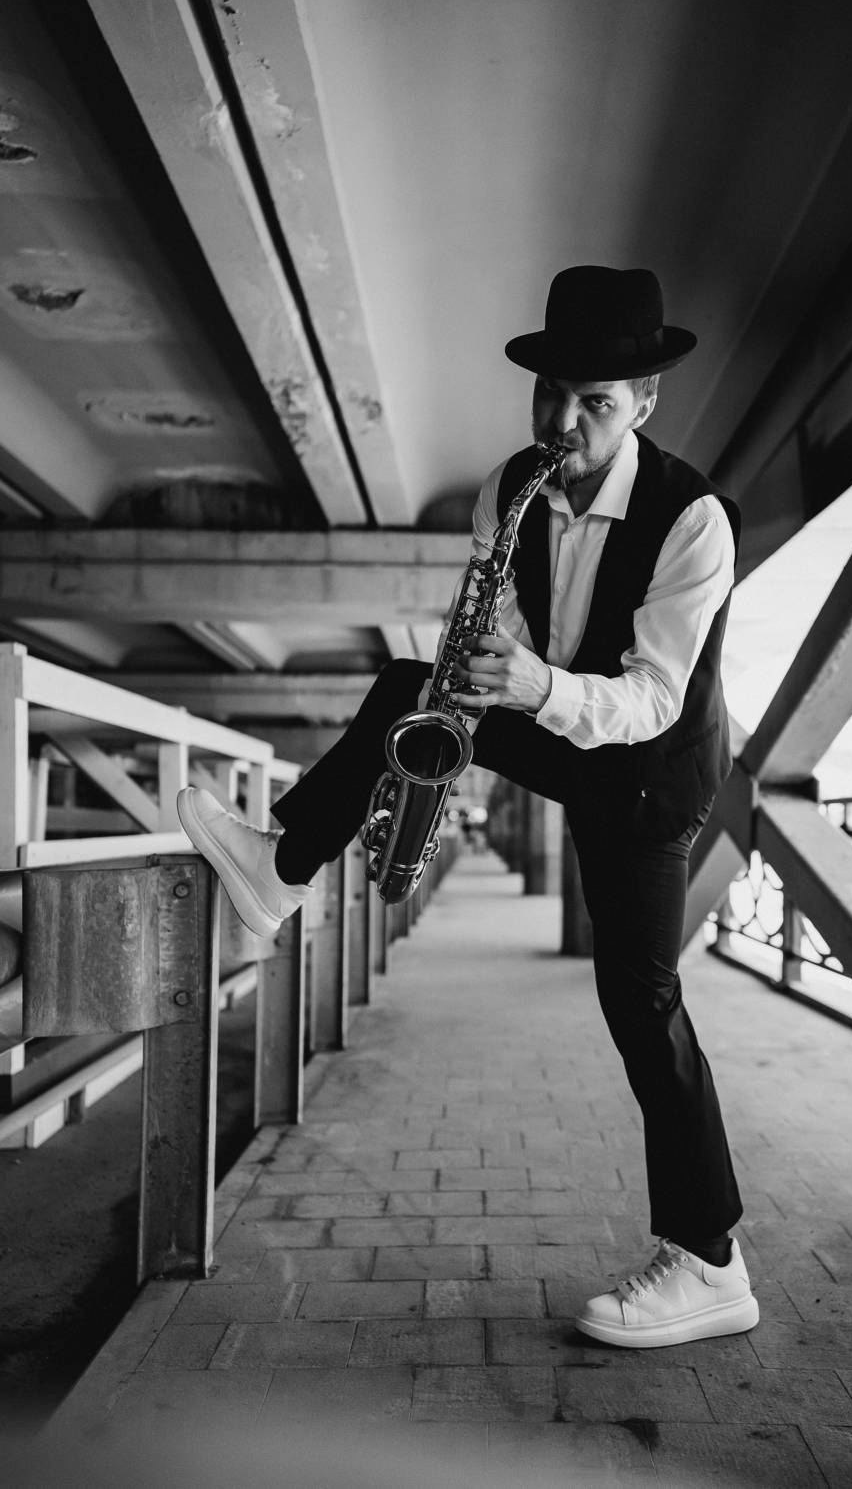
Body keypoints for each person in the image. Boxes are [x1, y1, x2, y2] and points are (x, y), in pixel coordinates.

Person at [177, 265, 758, 1350]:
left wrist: (530, 688)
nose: (564, 423)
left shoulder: (695, 521)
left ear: (644, 402)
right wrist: (468, 696)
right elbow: (492, 629)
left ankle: (710, 1259)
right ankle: (281, 865)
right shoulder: (510, 488)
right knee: (410, 684)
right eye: (552, 395)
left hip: (650, 773)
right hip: (563, 723)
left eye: (595, 403)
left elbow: (653, 697)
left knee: (641, 1005)